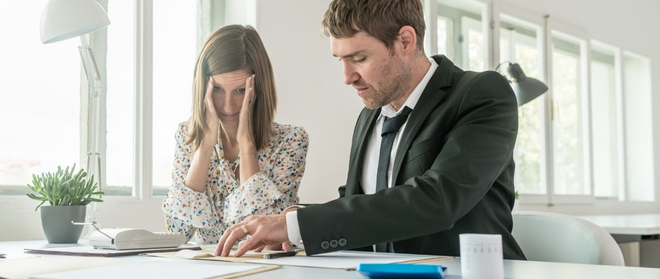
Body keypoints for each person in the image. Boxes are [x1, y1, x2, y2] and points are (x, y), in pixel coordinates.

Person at [215, 0, 526, 260]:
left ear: (406, 40)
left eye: (359, 58)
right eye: (341, 59)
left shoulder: (481, 94)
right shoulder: (370, 116)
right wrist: (290, 225)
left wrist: (297, 225)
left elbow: (437, 200)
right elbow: (358, 204)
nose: (347, 77)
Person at [162, 24, 309, 244]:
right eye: (218, 89)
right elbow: (178, 232)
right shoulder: (186, 136)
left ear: (258, 88)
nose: (228, 106)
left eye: (240, 90)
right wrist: (204, 148)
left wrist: (247, 146)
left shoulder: (290, 141)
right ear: (203, 87)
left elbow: (264, 237)